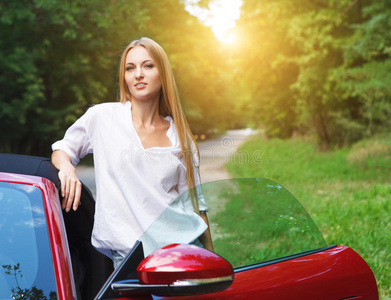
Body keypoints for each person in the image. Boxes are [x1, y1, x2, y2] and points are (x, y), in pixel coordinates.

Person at [51, 37, 213, 268]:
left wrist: (215, 266)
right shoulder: (103, 117)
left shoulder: (180, 135)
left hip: (182, 253)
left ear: (162, 73)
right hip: (127, 258)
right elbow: (63, 149)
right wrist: (67, 168)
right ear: (124, 77)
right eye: (130, 68)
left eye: (148, 65)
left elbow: (195, 205)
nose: (138, 74)